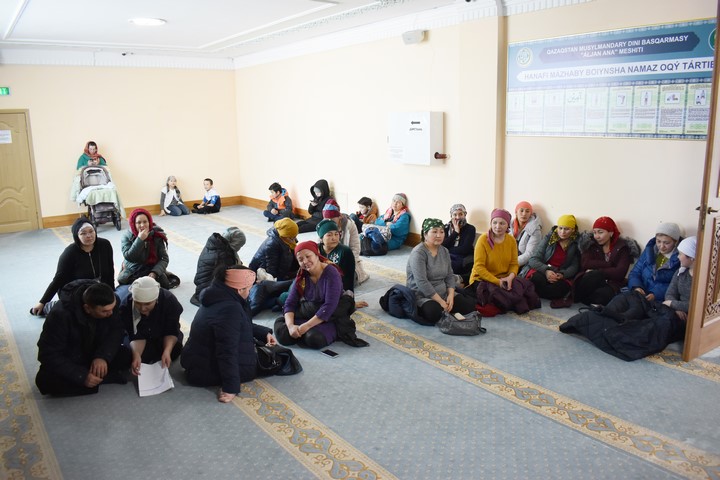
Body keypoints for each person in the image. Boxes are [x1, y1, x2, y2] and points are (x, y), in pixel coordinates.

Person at [181, 266, 276, 403]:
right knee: (277, 358)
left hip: (197, 362)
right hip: (205, 371)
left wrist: (263, 333)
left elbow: (239, 324)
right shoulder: (230, 308)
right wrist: (231, 387)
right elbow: (226, 350)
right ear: (239, 289)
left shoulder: (217, 296)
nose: (250, 292)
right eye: (249, 289)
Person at [35, 280, 131, 396]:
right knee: (45, 381)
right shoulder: (60, 315)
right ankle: (100, 379)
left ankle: (95, 379)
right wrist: (81, 376)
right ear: (87, 308)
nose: (111, 313)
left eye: (112, 308)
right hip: (71, 357)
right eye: (105, 311)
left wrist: (103, 356)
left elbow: (116, 330)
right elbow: (47, 354)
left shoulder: (111, 303)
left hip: (94, 351)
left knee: (126, 355)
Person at [31, 216, 114, 317]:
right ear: (76, 235)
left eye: (91, 231)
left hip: (97, 289)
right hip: (75, 291)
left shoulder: (105, 245)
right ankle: (51, 306)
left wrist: (112, 293)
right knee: (82, 311)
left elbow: (110, 271)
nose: (89, 236)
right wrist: (42, 301)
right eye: (83, 233)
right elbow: (58, 279)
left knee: (112, 305)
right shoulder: (70, 252)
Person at [468, 208, 540, 316]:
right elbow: (479, 267)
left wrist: (510, 277)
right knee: (499, 296)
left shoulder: (511, 240)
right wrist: (498, 282)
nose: (498, 226)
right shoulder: (483, 240)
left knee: (526, 290)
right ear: (491, 223)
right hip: (483, 279)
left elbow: (514, 264)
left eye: (502, 223)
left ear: (508, 225)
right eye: (495, 222)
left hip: (505, 278)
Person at [407, 218, 476, 325]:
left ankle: (446, 307)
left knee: (469, 305)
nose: (439, 235)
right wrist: (440, 301)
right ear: (425, 234)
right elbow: (421, 282)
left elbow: (449, 275)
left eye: (442, 232)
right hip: (422, 294)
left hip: (442, 291)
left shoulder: (444, 251)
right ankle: (440, 308)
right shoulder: (419, 253)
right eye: (434, 232)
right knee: (433, 313)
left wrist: (451, 296)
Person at [274, 241, 342, 349]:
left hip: (327, 318)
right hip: (306, 313)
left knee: (314, 339)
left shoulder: (331, 273)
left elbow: (329, 306)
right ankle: (301, 333)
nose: (305, 261)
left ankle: (305, 333)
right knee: (283, 334)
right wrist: (290, 326)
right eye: (300, 259)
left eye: (308, 256)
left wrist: (307, 326)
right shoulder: (302, 275)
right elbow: (290, 303)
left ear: (316, 254)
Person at [119, 277, 184, 376]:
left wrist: (167, 351)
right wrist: (137, 355)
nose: (143, 308)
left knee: (175, 349)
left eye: (147, 304)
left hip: (162, 335)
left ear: (156, 299)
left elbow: (171, 330)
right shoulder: (126, 305)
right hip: (142, 338)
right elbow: (135, 335)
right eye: (138, 303)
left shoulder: (169, 300)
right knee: (128, 356)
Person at [574, 216, 639, 306]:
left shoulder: (622, 247)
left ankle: (587, 299)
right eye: (594, 232)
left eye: (600, 232)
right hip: (593, 280)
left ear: (611, 233)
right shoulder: (591, 244)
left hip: (612, 283)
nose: (597, 236)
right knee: (591, 277)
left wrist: (599, 271)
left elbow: (620, 272)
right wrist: (608, 264)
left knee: (601, 296)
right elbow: (585, 263)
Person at [523, 214, 581, 308]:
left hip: (560, 274)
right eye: (560, 228)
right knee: (537, 279)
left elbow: (574, 266)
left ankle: (538, 292)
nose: (562, 232)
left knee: (559, 289)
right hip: (543, 270)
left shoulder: (576, 244)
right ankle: (542, 292)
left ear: (573, 230)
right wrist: (546, 270)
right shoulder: (549, 238)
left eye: (567, 229)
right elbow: (533, 259)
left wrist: (562, 274)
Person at [248, 218, 299, 315]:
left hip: (280, 271)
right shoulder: (272, 244)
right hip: (263, 275)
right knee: (292, 286)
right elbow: (271, 271)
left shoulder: (287, 239)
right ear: (284, 235)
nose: (294, 240)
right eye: (292, 237)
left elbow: (292, 256)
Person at [190, 227, 246, 306]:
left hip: (203, 288)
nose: (239, 248)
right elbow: (231, 276)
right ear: (234, 243)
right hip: (208, 293)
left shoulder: (215, 245)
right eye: (239, 246)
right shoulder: (223, 255)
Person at [117, 208, 172, 289]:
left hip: (152, 267)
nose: (142, 225)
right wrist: (140, 240)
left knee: (164, 285)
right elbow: (129, 256)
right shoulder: (127, 236)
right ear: (133, 224)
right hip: (134, 269)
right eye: (138, 222)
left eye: (145, 222)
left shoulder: (157, 235)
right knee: (134, 288)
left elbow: (164, 259)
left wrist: (154, 272)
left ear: (149, 222)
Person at [627, 222, 682, 302]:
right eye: (658, 241)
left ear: (675, 242)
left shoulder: (681, 258)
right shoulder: (649, 250)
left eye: (666, 243)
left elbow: (675, 286)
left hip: (659, 300)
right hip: (639, 294)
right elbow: (635, 272)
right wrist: (637, 287)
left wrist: (655, 295)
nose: (661, 246)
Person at [322, 199, 369, 284]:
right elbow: (320, 247)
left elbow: (355, 247)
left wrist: (346, 263)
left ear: (339, 216)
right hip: (328, 261)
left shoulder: (350, 225)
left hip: (347, 260)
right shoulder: (323, 226)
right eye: (327, 219)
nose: (329, 221)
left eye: (332, 218)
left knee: (346, 280)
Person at [663, 236, 696, 321]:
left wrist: (672, 304)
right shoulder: (680, 272)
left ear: (691, 257)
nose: (678, 257)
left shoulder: (703, 279)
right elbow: (670, 294)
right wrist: (676, 309)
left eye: (680, 254)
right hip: (677, 314)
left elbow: (697, 306)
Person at [442, 204, 477, 281]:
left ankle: (460, 280)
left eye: (460, 214)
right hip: (449, 255)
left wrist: (447, 249)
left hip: (465, 255)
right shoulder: (445, 228)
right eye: (455, 214)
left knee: (469, 264)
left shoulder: (470, 228)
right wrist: (456, 232)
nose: (457, 217)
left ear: (465, 215)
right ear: (451, 216)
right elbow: (442, 245)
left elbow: (465, 249)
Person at [513, 201, 542, 268]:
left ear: (530, 214)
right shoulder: (509, 225)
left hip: (524, 264)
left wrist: (511, 264)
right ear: (516, 212)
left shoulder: (535, 229)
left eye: (527, 211)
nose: (524, 214)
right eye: (521, 210)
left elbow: (530, 254)